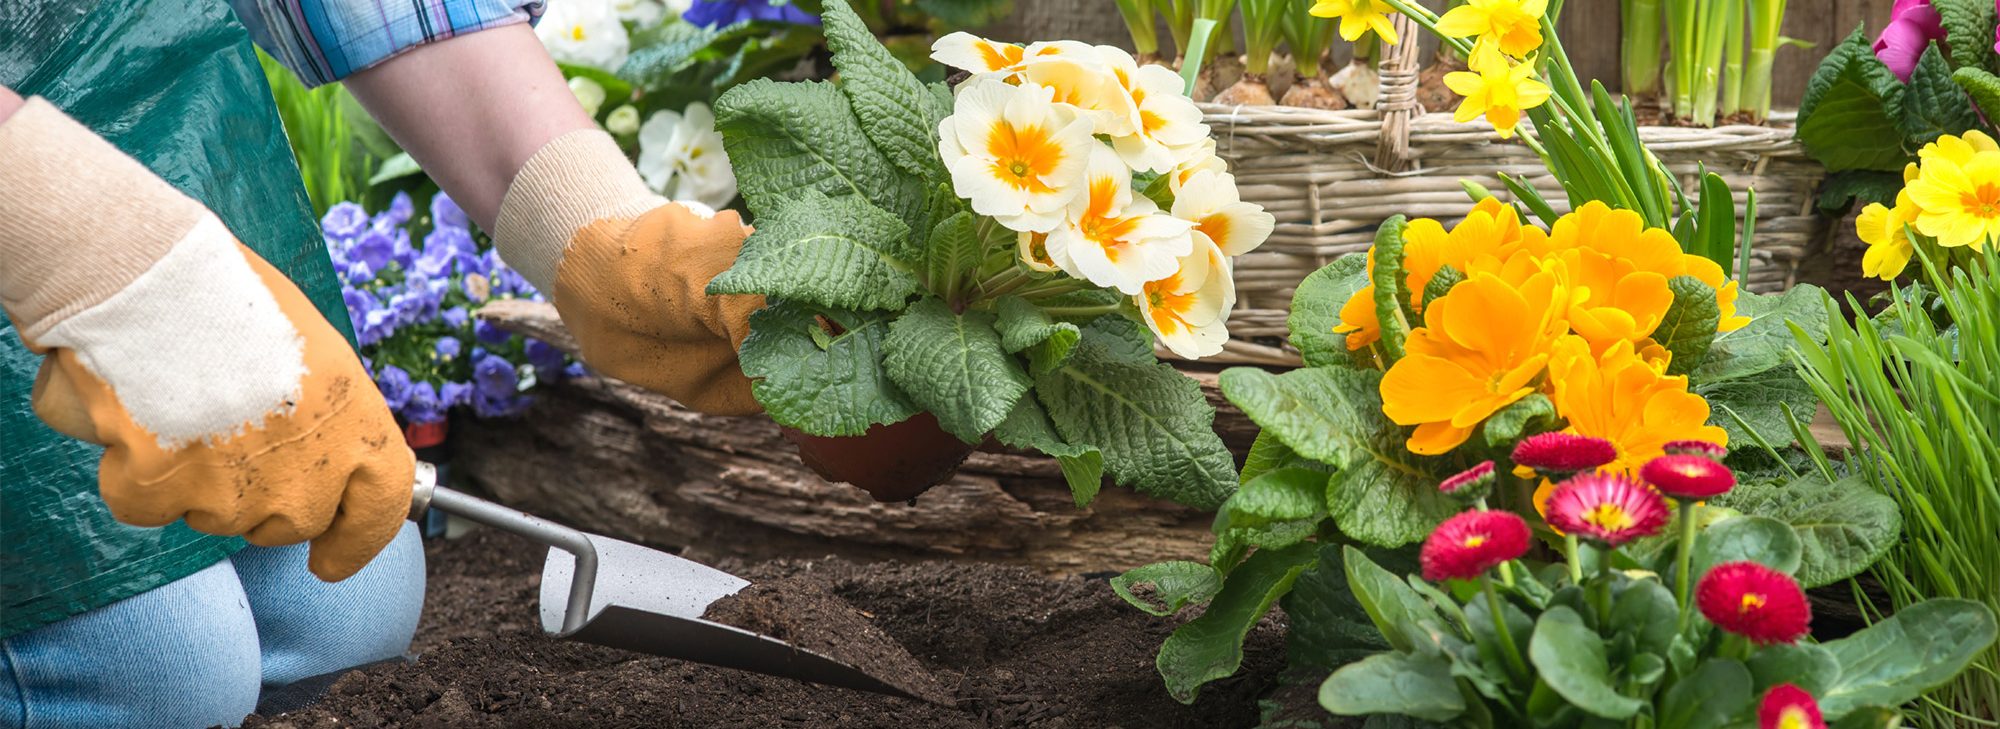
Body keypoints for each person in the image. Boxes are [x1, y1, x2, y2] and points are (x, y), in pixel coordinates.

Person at [0, 2, 762, 726]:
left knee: (351, 606)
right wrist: (85, 250)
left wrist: (593, 231)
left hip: (130, 98)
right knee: (163, 673)